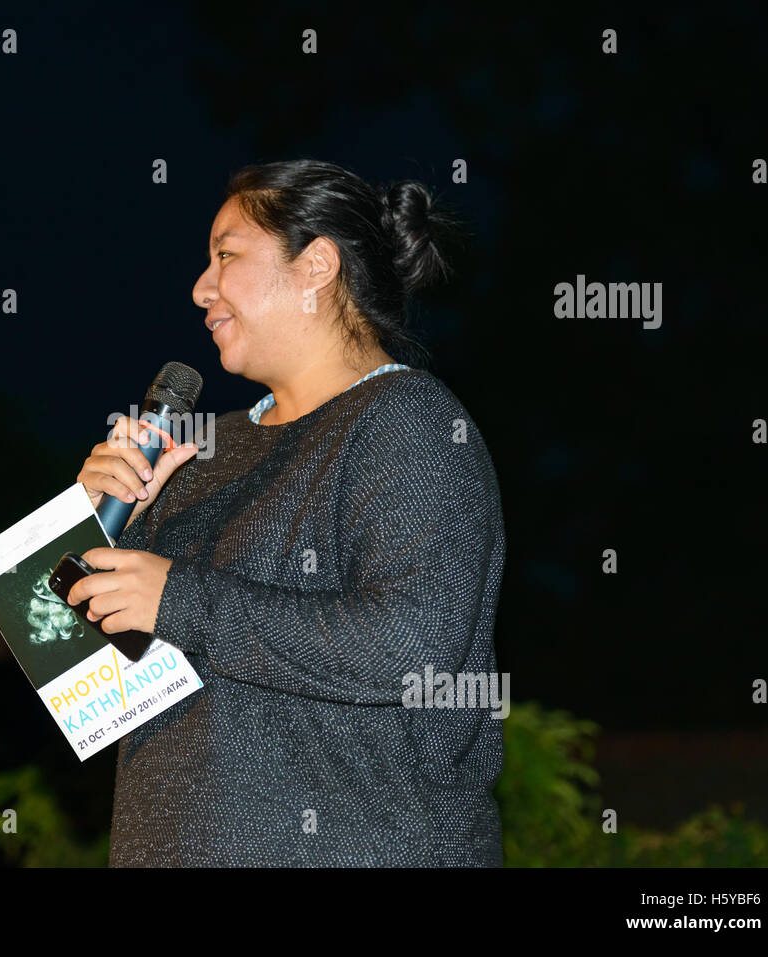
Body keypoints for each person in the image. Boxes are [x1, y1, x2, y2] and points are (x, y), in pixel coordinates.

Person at [68, 159, 506, 866]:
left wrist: (178, 596)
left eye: (227, 255)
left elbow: (411, 646)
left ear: (317, 265)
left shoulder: (406, 421)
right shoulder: (205, 452)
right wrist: (95, 527)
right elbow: (92, 691)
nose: (200, 287)